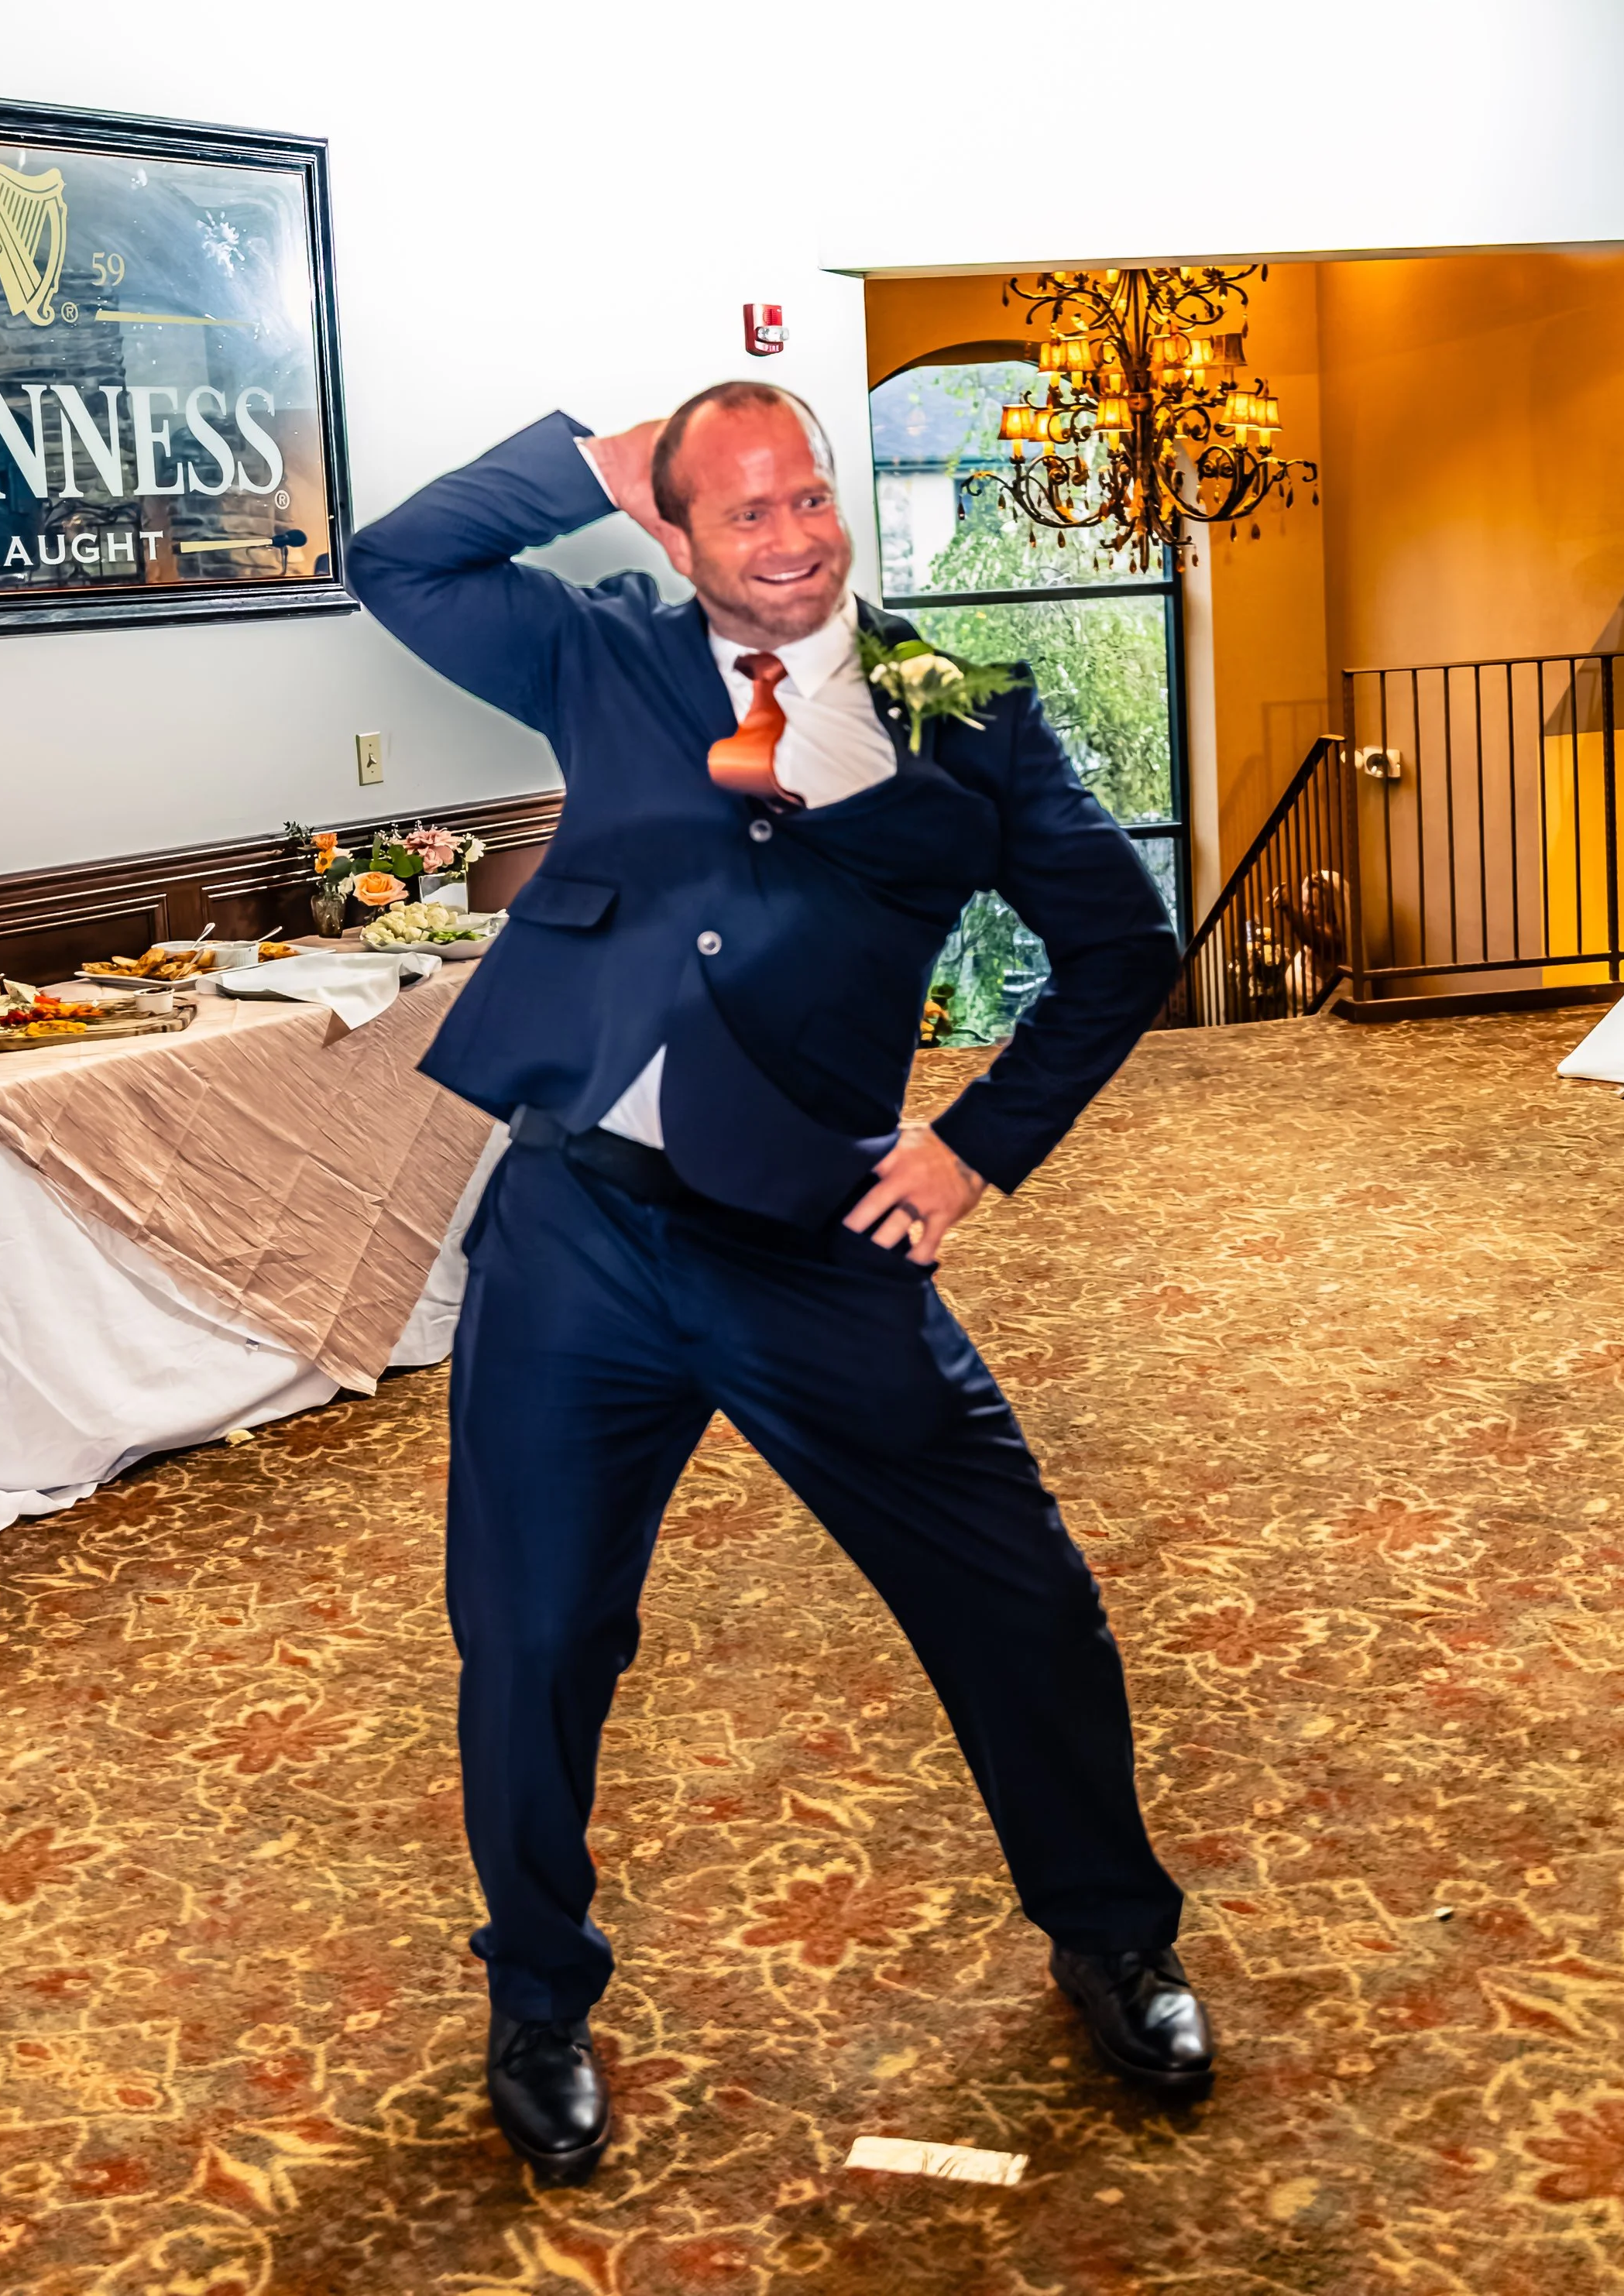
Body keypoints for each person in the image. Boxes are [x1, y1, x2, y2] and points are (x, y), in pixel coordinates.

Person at [347, 383, 1212, 2183]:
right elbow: (400, 560)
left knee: (1014, 1593)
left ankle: (1113, 1937)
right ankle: (535, 1998)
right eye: (742, 510)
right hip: (576, 1223)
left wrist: (973, 1147)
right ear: (673, 534)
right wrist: (588, 460)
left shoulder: (956, 708)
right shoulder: (599, 654)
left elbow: (1118, 944)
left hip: (811, 1240)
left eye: (807, 496)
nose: (794, 536)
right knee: (530, 1633)